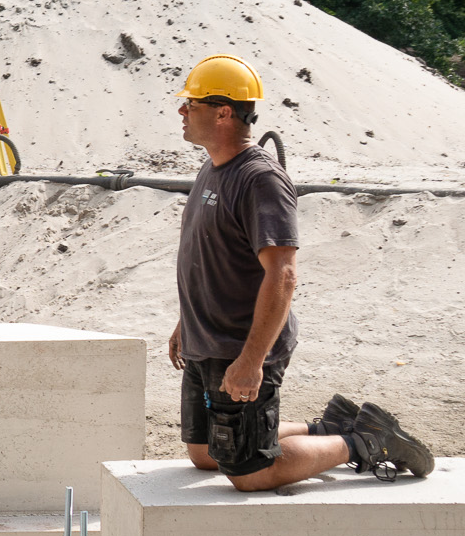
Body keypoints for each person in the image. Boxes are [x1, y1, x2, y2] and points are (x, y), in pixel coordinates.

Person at [169, 54, 433, 490]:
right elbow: (211, 257)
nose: (181, 111)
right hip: (206, 339)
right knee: (204, 454)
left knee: (250, 473)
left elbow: (283, 275)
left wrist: (251, 361)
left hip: (240, 343)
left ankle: (363, 440)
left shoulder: (259, 179)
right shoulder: (212, 169)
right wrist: (186, 320)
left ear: (223, 112)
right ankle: (326, 429)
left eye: (190, 104)